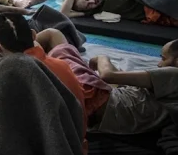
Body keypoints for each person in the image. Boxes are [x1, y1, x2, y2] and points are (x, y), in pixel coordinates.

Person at [0, 13, 88, 155]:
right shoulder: (62, 65)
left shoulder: (10, 77)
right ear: (33, 35)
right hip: (77, 143)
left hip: (51, 154)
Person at [35, 31, 178, 135]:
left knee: (52, 34)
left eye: (163, 58)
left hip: (95, 100)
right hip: (100, 108)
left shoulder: (174, 74)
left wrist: (102, 58)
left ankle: (22, 53)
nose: (159, 64)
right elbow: (123, 86)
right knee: (61, 54)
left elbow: (108, 76)